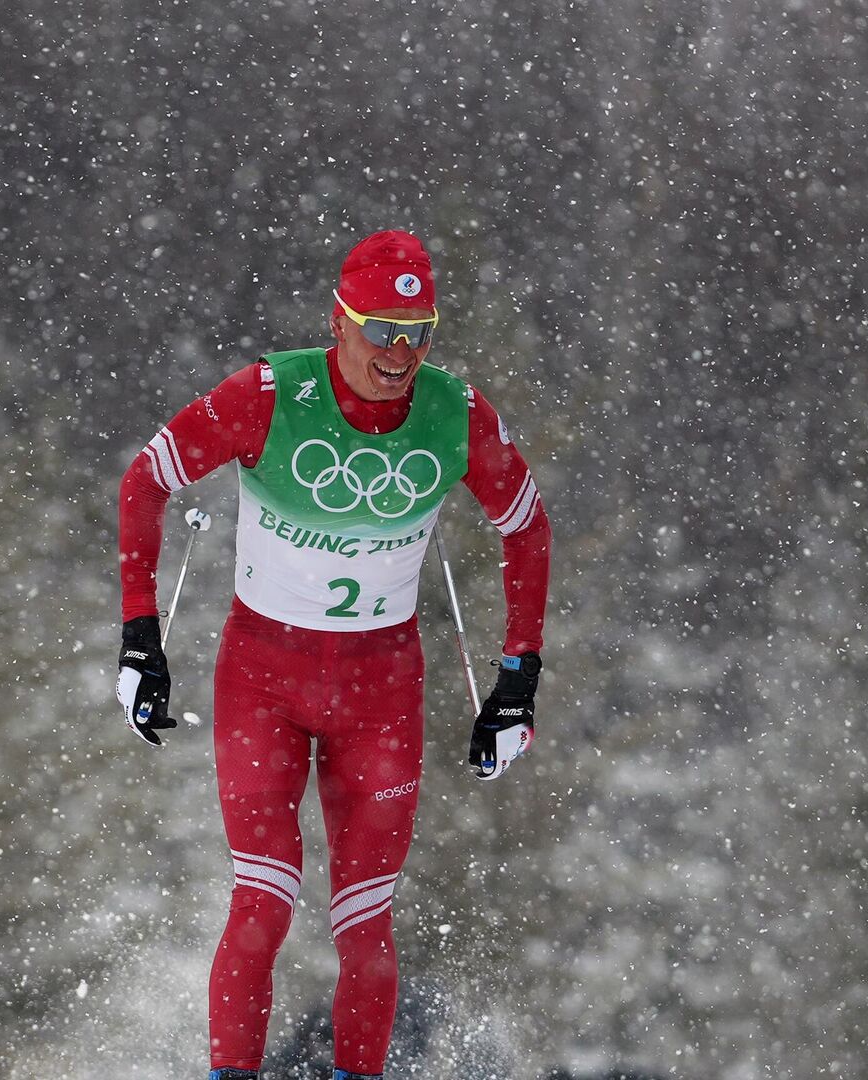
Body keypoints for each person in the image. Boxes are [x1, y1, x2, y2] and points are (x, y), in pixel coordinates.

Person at [116, 230, 552, 1080]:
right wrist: (141, 639)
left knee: (365, 919)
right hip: (262, 684)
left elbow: (526, 528)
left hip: (379, 692)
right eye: (383, 328)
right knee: (263, 903)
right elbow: (147, 479)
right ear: (340, 321)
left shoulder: (453, 413)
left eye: (418, 331)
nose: (401, 352)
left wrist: (518, 680)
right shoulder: (270, 396)